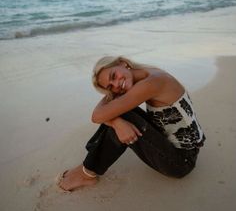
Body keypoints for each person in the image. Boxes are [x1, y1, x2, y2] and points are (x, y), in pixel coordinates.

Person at [58, 56, 205, 191]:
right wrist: (117, 121)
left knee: (121, 115)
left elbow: (96, 116)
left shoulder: (151, 83)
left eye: (113, 75)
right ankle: (88, 166)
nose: (116, 83)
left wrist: (117, 121)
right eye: (110, 86)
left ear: (123, 63)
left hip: (180, 162)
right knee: (118, 114)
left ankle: (87, 173)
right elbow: (104, 112)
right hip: (179, 148)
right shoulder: (148, 72)